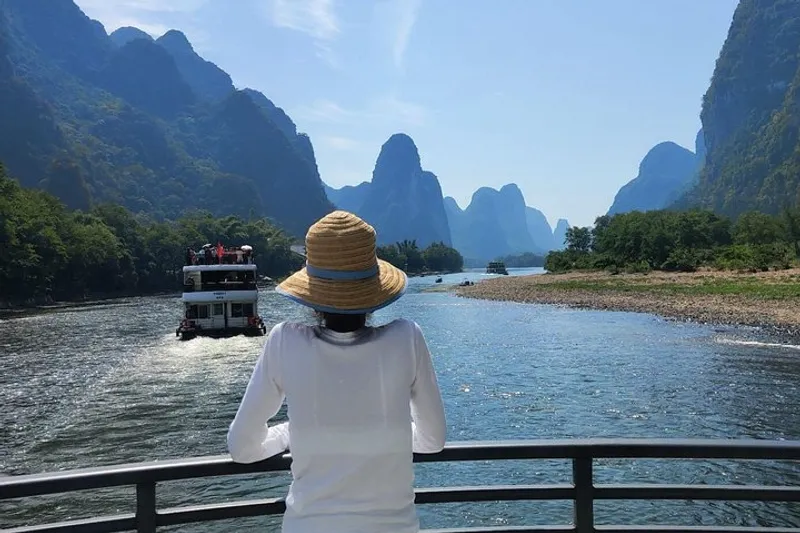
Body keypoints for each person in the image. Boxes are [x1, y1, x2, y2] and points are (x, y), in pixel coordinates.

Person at [227, 210, 447, 533]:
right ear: (374, 291)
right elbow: (433, 440)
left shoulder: (285, 342)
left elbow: (242, 447)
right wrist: (388, 433)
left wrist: (289, 433)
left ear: (312, 295)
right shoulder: (407, 339)